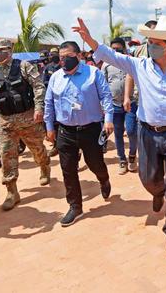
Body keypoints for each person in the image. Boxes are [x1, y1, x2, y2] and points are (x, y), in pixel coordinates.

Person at [78, 16, 166, 257]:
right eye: (149, 42)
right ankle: (158, 193)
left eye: (156, 43)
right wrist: (91, 41)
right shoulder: (141, 65)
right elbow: (114, 57)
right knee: (148, 178)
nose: (151, 46)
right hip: (147, 132)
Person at [44, 41, 114, 227]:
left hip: (90, 129)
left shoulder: (93, 74)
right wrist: (49, 126)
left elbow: (106, 97)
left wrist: (108, 119)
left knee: (95, 163)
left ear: (79, 56)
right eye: (61, 58)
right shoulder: (55, 78)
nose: (63, 61)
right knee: (68, 169)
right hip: (65, 131)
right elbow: (49, 103)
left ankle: (103, 179)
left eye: (68, 57)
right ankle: (75, 206)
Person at [0, 39, 50, 211]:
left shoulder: (24, 66)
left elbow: (38, 86)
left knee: (37, 149)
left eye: (2, 50)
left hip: (28, 118)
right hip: (5, 122)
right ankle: (12, 192)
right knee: (6, 156)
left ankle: (44, 165)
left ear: (10, 50)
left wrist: (39, 108)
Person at [102, 37, 139, 175]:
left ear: (124, 49)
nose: (116, 51)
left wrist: (131, 96)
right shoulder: (106, 64)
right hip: (114, 104)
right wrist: (104, 105)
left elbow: (137, 80)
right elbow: (103, 85)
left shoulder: (130, 63)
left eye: (119, 49)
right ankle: (122, 159)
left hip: (130, 103)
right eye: (113, 49)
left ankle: (132, 156)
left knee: (131, 131)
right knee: (117, 133)